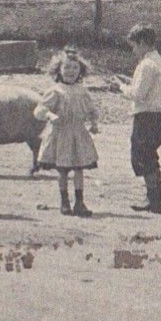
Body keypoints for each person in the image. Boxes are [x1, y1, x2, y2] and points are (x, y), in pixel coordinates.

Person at [115, 24, 161, 213]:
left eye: (134, 46)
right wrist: (129, 81)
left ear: (142, 43)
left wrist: (120, 88)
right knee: (149, 155)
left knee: (141, 156)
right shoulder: (155, 60)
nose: (134, 50)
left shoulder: (147, 65)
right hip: (157, 116)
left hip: (148, 117)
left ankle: (154, 198)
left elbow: (138, 94)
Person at [35, 46, 102, 216]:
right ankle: (64, 202)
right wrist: (50, 115)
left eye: (75, 68)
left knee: (79, 168)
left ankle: (80, 202)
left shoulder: (82, 91)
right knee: (63, 169)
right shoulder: (55, 90)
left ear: (80, 71)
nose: (70, 71)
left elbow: (91, 109)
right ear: (59, 70)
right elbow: (39, 110)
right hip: (61, 134)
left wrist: (94, 123)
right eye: (66, 67)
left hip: (78, 134)